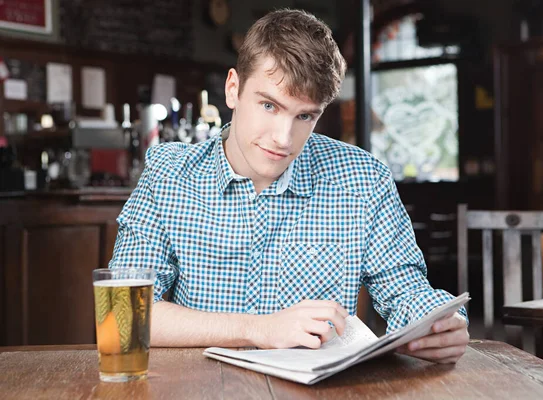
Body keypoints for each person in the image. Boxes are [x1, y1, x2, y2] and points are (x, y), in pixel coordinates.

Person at [109, 9, 469, 364]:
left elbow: (406, 290)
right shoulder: (169, 174)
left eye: (304, 116)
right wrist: (259, 329)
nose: (283, 139)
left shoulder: (363, 178)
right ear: (233, 89)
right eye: (269, 105)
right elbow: (123, 314)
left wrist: (441, 323)